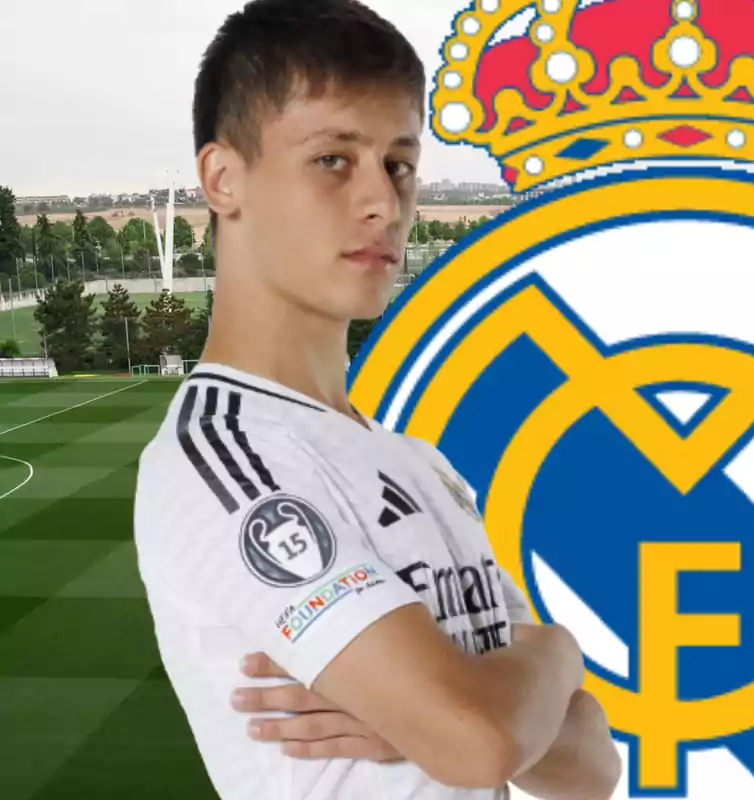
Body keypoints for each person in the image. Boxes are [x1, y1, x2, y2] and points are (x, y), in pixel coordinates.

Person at [132, 1, 621, 798]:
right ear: (223, 179)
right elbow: (483, 743)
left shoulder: (417, 462)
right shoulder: (225, 456)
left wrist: (528, 672)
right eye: (333, 159)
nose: (383, 205)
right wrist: (540, 671)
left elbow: (592, 768)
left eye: (399, 162)